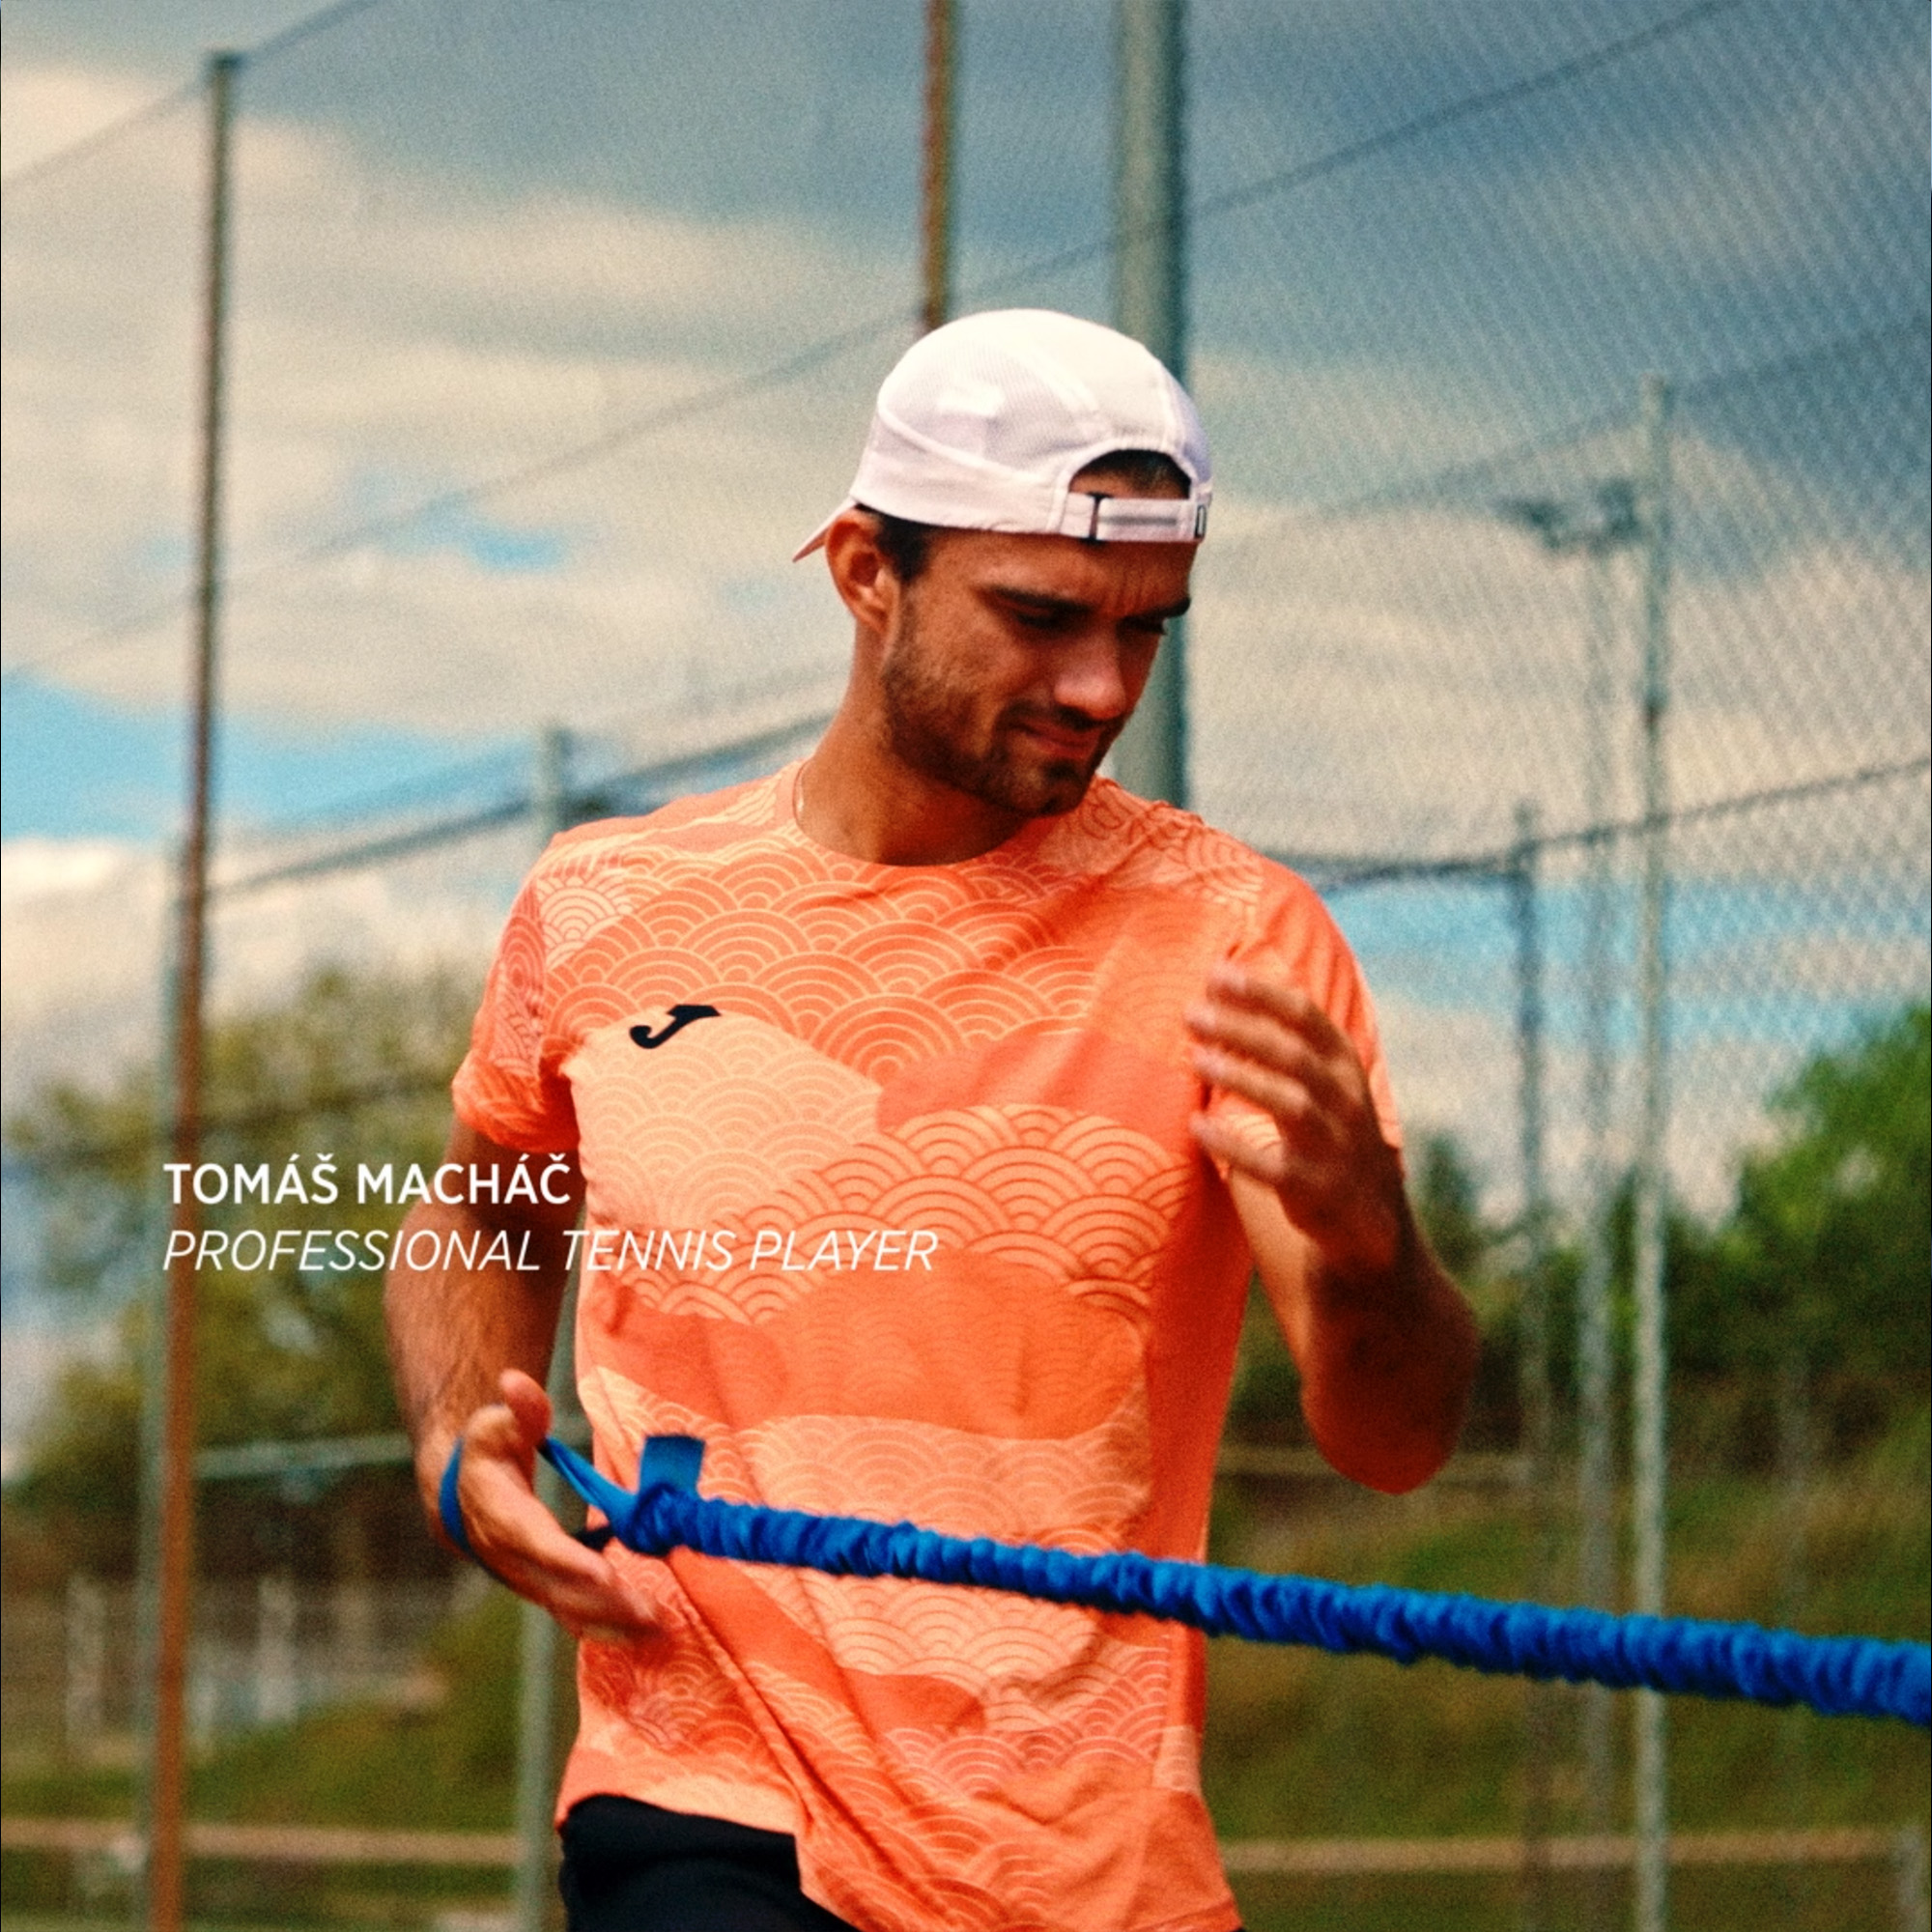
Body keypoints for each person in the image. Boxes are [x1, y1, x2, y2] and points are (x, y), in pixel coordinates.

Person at [385, 307, 1479, 1932]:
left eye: (1147, 630)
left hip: (1088, 1868)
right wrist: (453, 1440)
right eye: (1042, 617)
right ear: (864, 571)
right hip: (706, 1806)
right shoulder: (603, 902)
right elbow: (485, 1211)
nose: (1100, 685)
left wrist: (1378, 1246)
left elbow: (1393, 1443)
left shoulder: (1239, 941)